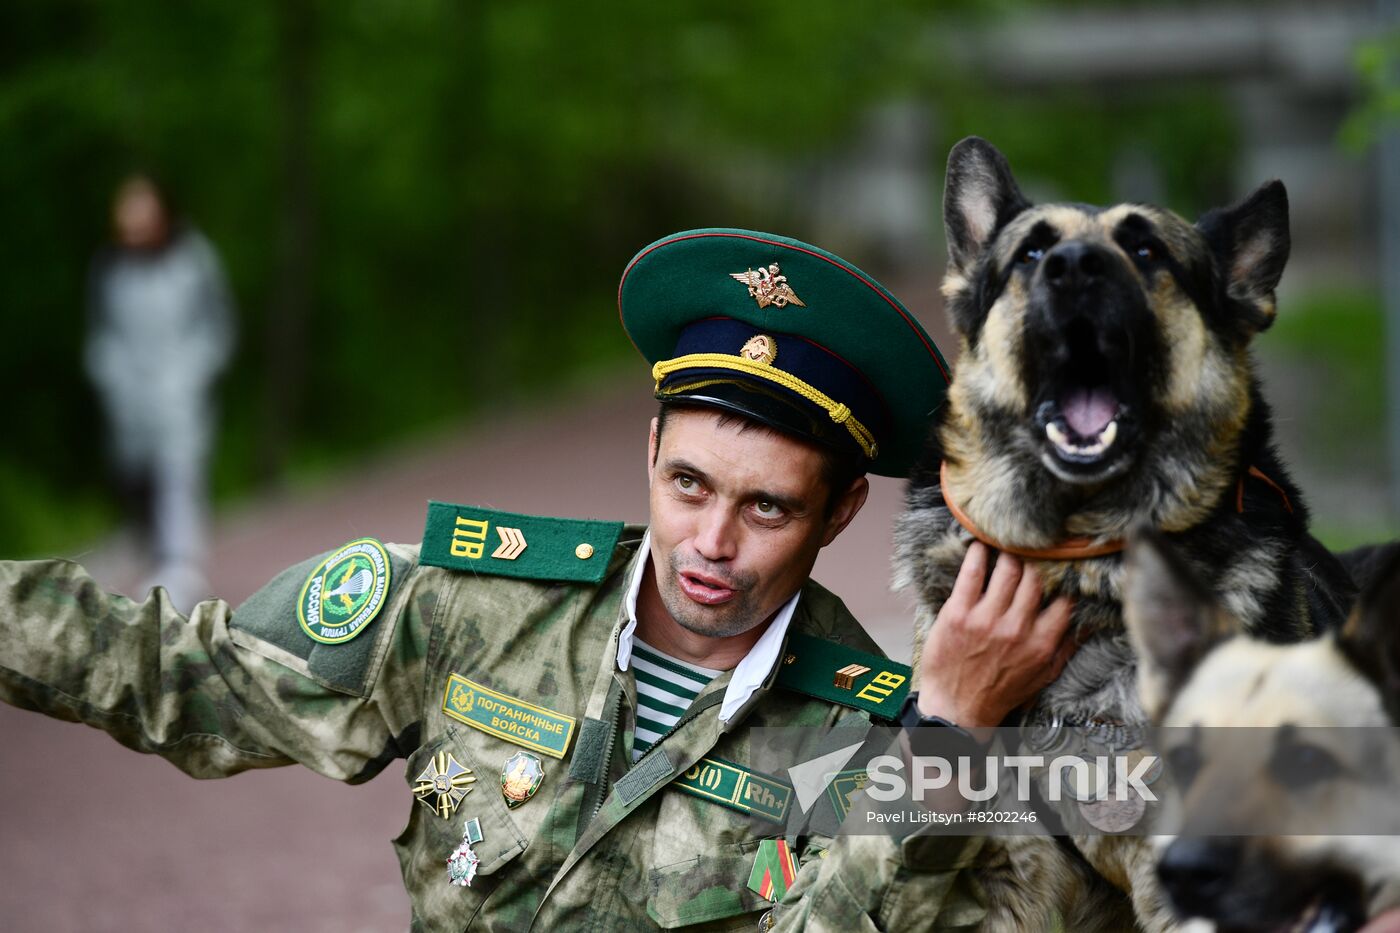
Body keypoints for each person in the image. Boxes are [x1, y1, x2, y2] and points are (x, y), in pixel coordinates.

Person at [3, 228, 1074, 930]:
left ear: (839, 511)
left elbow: (1205, 795)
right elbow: (165, 670)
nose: (709, 542)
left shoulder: (872, 735)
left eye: (766, 507)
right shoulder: (470, 608)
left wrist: (951, 734)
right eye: (689, 485)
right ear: (648, 450)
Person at [84, 173, 236, 611]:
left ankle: (181, 566)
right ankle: (146, 552)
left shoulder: (194, 260)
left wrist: (194, 371)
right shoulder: (110, 269)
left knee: (179, 475)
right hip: (130, 397)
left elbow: (217, 326)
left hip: (180, 392)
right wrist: (111, 376)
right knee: (137, 478)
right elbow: (103, 334)